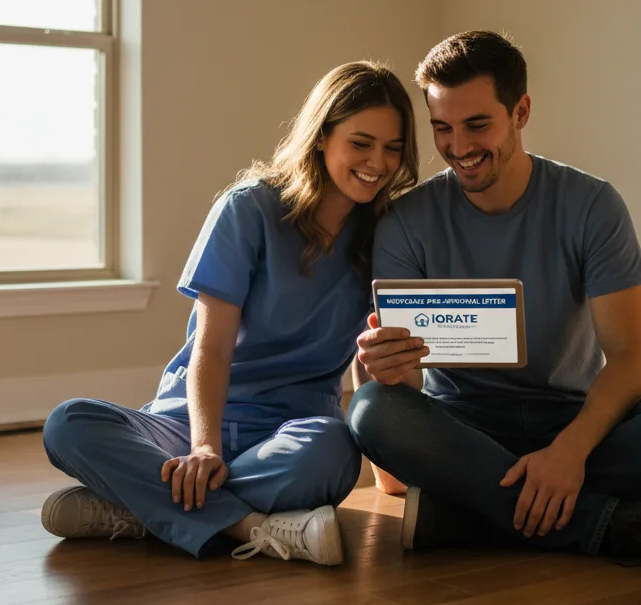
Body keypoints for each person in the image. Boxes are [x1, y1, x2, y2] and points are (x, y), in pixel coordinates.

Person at [348, 31, 641, 566]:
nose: (458, 148)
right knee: (371, 409)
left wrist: (569, 452)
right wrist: (382, 365)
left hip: (575, 421)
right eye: (442, 128)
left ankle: (469, 511)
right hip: (462, 427)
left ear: (521, 111)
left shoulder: (592, 205)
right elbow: (408, 388)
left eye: (477, 124)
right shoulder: (405, 222)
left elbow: (631, 358)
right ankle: (606, 527)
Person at [39, 61, 419, 566]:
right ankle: (250, 526)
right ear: (322, 137)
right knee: (68, 423)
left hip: (293, 432)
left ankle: (139, 508)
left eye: (393, 148)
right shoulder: (249, 209)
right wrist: (203, 448)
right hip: (190, 420)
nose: (379, 162)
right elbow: (211, 347)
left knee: (333, 453)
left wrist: (390, 455)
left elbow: (372, 352)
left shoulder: (387, 233)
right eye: (362, 142)